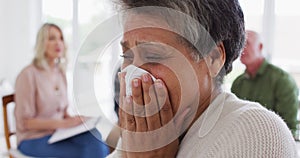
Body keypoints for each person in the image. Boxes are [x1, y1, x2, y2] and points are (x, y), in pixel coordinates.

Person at [106, 0, 298, 157]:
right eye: (127, 57)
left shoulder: (256, 131)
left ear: (213, 59)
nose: (133, 76)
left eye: (154, 56)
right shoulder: (148, 134)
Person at [14, 23, 109, 157]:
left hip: (57, 133)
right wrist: (65, 123)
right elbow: (26, 123)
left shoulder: (60, 73)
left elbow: (63, 112)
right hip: (32, 138)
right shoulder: (28, 75)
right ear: (41, 43)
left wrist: (76, 121)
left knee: (96, 139)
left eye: (61, 38)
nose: (58, 43)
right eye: (52, 38)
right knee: (84, 152)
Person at [231, 30, 299, 137]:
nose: (242, 48)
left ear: (260, 47)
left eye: (247, 43)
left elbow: (289, 127)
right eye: (240, 43)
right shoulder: (238, 83)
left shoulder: (282, 80)